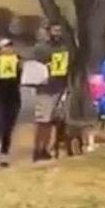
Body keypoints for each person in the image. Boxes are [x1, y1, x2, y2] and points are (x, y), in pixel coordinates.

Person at [32, 22, 70, 161]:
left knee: (56, 121)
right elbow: (34, 67)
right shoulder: (41, 48)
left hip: (60, 87)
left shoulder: (64, 48)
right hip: (45, 89)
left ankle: (48, 149)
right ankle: (38, 150)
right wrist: (46, 67)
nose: (57, 33)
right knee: (43, 121)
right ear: (49, 31)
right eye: (55, 30)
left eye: (60, 30)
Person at [0, 38, 23, 169]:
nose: (9, 49)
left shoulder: (16, 60)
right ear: (0, 49)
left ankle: (4, 154)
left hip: (13, 98)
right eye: (6, 47)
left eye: (10, 47)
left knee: (8, 127)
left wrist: (18, 67)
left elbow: (18, 80)